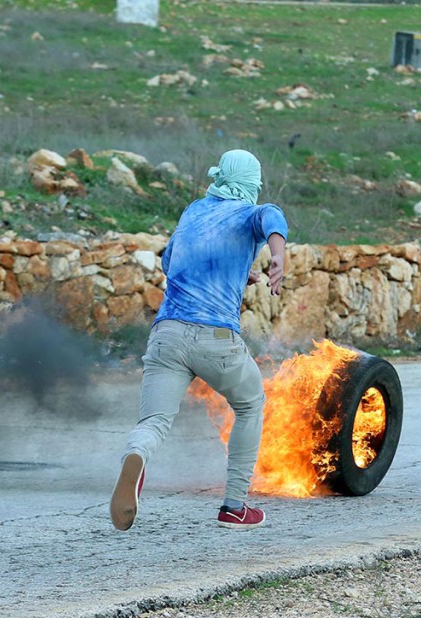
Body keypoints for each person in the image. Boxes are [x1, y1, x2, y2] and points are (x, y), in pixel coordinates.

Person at [110, 149, 288, 531]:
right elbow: (271, 215)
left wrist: (240, 272)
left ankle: (137, 454)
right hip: (215, 337)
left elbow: (170, 262)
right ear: (250, 183)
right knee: (250, 403)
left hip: (166, 334)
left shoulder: (193, 211)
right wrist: (277, 257)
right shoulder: (248, 213)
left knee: (154, 421)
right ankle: (235, 507)